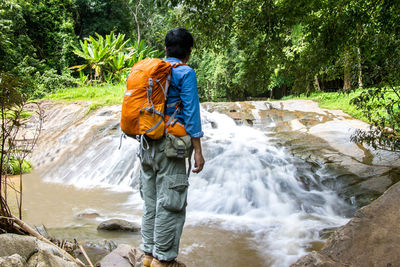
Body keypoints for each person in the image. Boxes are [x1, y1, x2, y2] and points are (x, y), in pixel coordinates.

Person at [139, 28, 205, 267]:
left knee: (151, 200)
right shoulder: (185, 72)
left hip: (146, 144)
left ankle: (147, 255)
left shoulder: (150, 71)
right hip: (171, 147)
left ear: (165, 48)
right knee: (171, 202)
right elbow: (191, 113)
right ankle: (163, 260)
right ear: (188, 52)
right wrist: (198, 150)